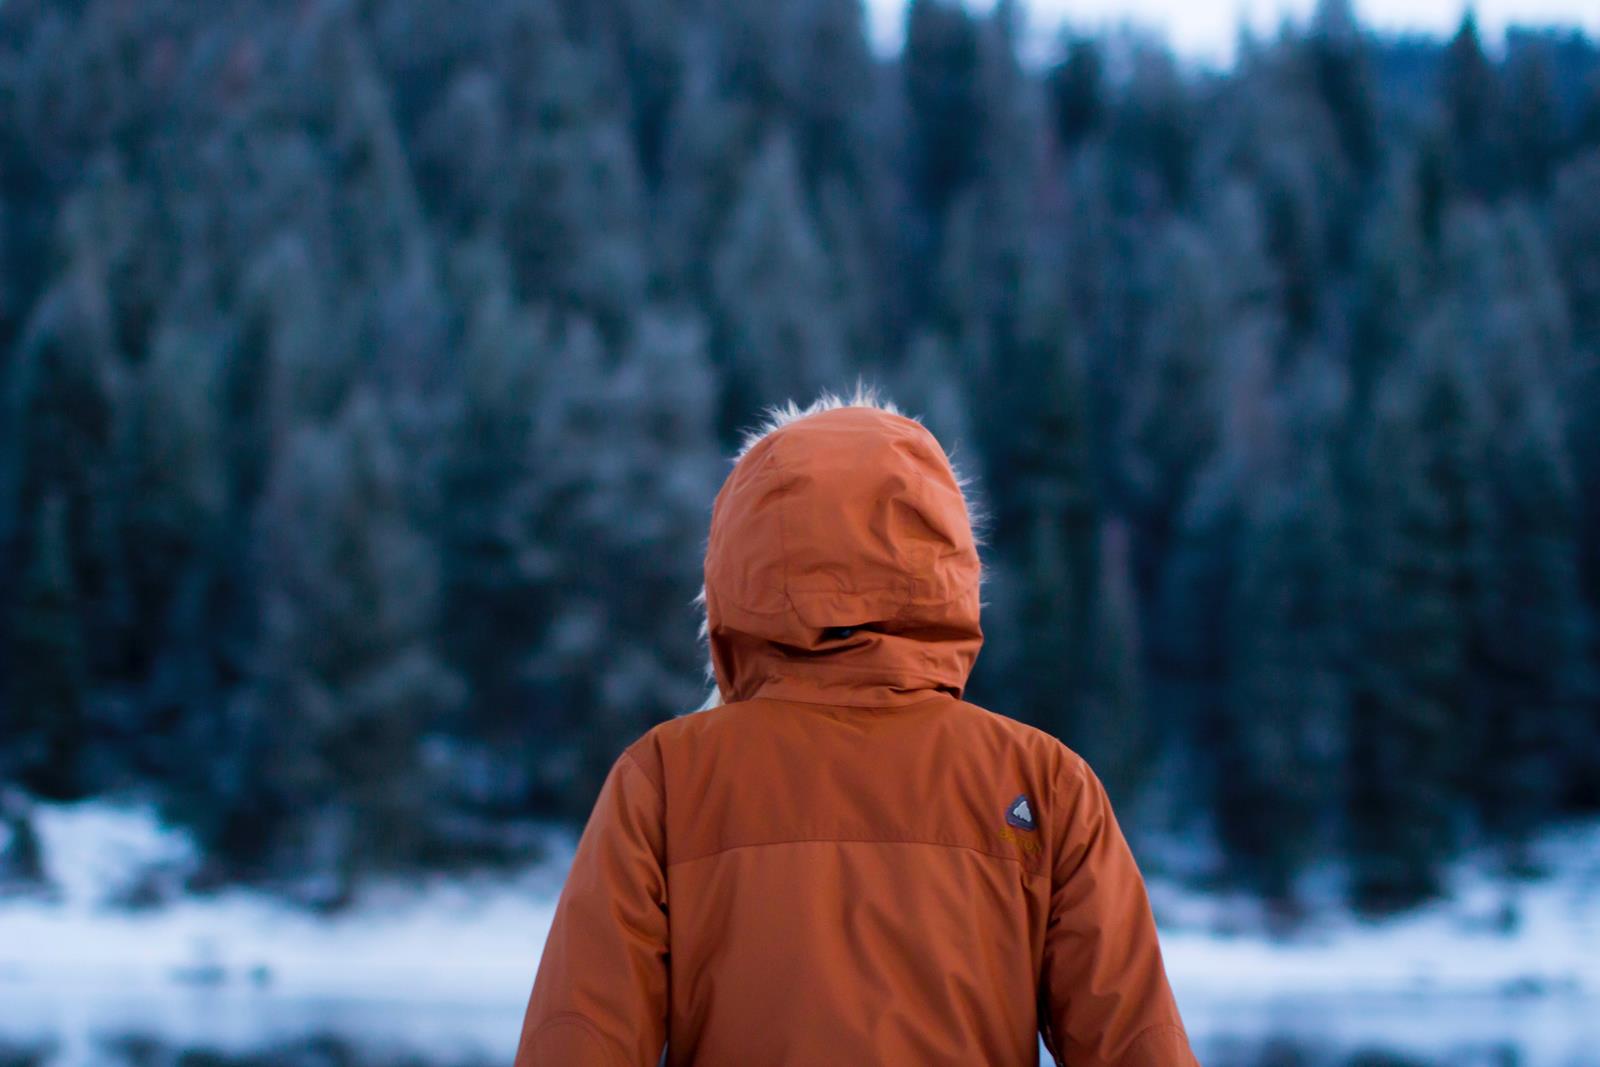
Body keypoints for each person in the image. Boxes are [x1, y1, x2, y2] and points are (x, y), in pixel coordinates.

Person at [514, 389, 1200, 1067]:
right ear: (947, 562)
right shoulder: (1044, 782)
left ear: (738, 566)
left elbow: (578, 1040)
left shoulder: (665, 779)